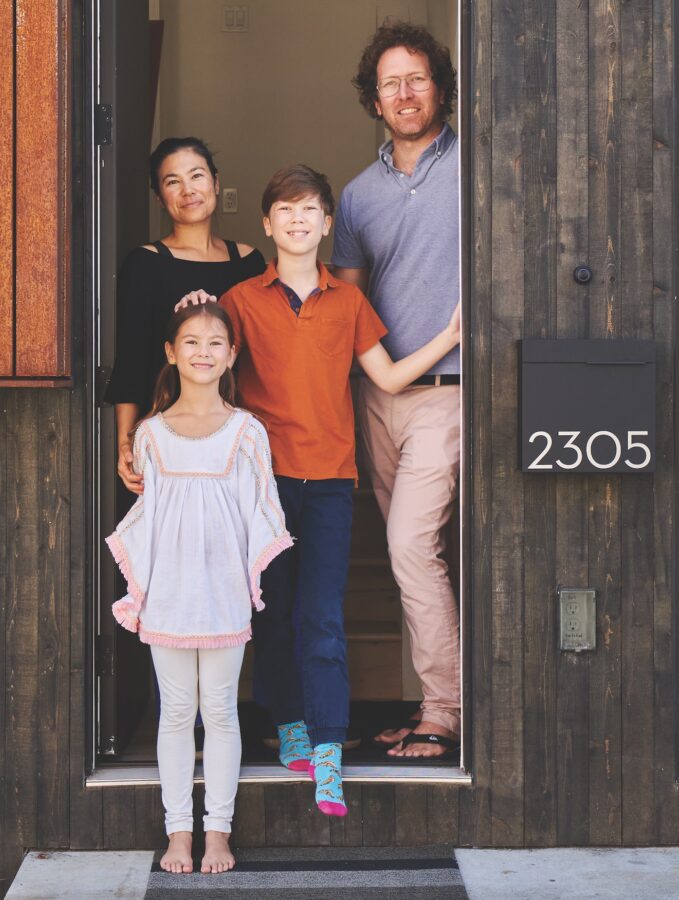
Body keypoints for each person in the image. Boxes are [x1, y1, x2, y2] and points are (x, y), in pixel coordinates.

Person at [212, 164, 460, 817]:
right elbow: (211, 373)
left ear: (327, 224)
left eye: (310, 211)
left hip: (328, 482)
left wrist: (452, 336)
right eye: (284, 211)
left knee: (322, 618)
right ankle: (289, 724)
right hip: (261, 483)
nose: (297, 221)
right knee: (273, 614)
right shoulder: (240, 301)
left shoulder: (348, 302)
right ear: (267, 224)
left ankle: (327, 754)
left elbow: (392, 376)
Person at [106, 303, 292, 874]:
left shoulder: (246, 431)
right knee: (175, 712)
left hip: (222, 592)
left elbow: (261, 509)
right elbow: (150, 517)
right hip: (170, 591)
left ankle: (218, 832)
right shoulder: (151, 434)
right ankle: (178, 833)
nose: (203, 352)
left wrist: (246, 577)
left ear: (231, 354)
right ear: (171, 352)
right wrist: (144, 585)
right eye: (190, 342)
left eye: (216, 343)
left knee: (221, 712)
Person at [332, 22, 463, 759]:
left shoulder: (475, 167)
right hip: (379, 397)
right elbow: (347, 311)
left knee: (412, 547)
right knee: (411, 552)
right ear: (374, 99)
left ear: (439, 86)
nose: (405, 93)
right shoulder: (356, 198)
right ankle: (431, 704)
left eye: (417, 78)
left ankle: (443, 710)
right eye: (391, 83)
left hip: (450, 389)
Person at [104, 137, 266, 495]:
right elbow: (130, 361)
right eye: (172, 181)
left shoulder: (249, 262)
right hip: (165, 439)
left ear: (216, 182)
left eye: (197, 176)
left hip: (233, 438)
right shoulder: (144, 263)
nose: (188, 190)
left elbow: (260, 355)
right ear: (160, 197)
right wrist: (125, 443)